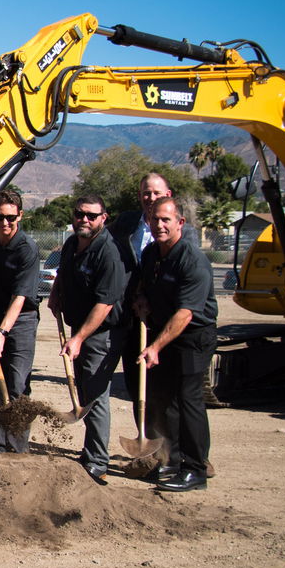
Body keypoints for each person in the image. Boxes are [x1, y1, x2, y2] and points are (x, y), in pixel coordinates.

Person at [136, 198, 218, 492]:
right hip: (164, 332)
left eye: (166, 220)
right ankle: (173, 460)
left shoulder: (192, 259)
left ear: (180, 223)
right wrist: (142, 296)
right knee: (163, 400)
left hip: (192, 336)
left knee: (189, 400)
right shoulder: (150, 255)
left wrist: (155, 347)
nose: (159, 225)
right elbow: (146, 283)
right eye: (155, 219)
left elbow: (185, 313)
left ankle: (196, 469)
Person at [49, 194, 127, 484]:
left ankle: (97, 461)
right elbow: (63, 273)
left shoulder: (108, 253)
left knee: (95, 395)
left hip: (101, 333)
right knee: (85, 391)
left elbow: (104, 304)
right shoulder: (72, 244)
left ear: (103, 218)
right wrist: (56, 294)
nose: (84, 219)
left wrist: (79, 338)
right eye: (80, 213)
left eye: (91, 215)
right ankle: (89, 452)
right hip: (79, 327)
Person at [0, 189, 41, 453]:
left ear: (20, 216)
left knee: (15, 383)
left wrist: (2, 332)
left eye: (11, 218)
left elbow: (20, 297)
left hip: (21, 320)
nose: (5, 223)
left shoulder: (27, 249)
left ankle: (17, 448)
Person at [111, 173, 173, 425]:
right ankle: (145, 441)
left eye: (157, 193)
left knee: (165, 388)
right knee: (136, 385)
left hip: (161, 320)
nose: (151, 198)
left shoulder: (178, 230)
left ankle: (173, 449)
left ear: (168, 195)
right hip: (130, 317)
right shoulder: (126, 222)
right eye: (146, 193)